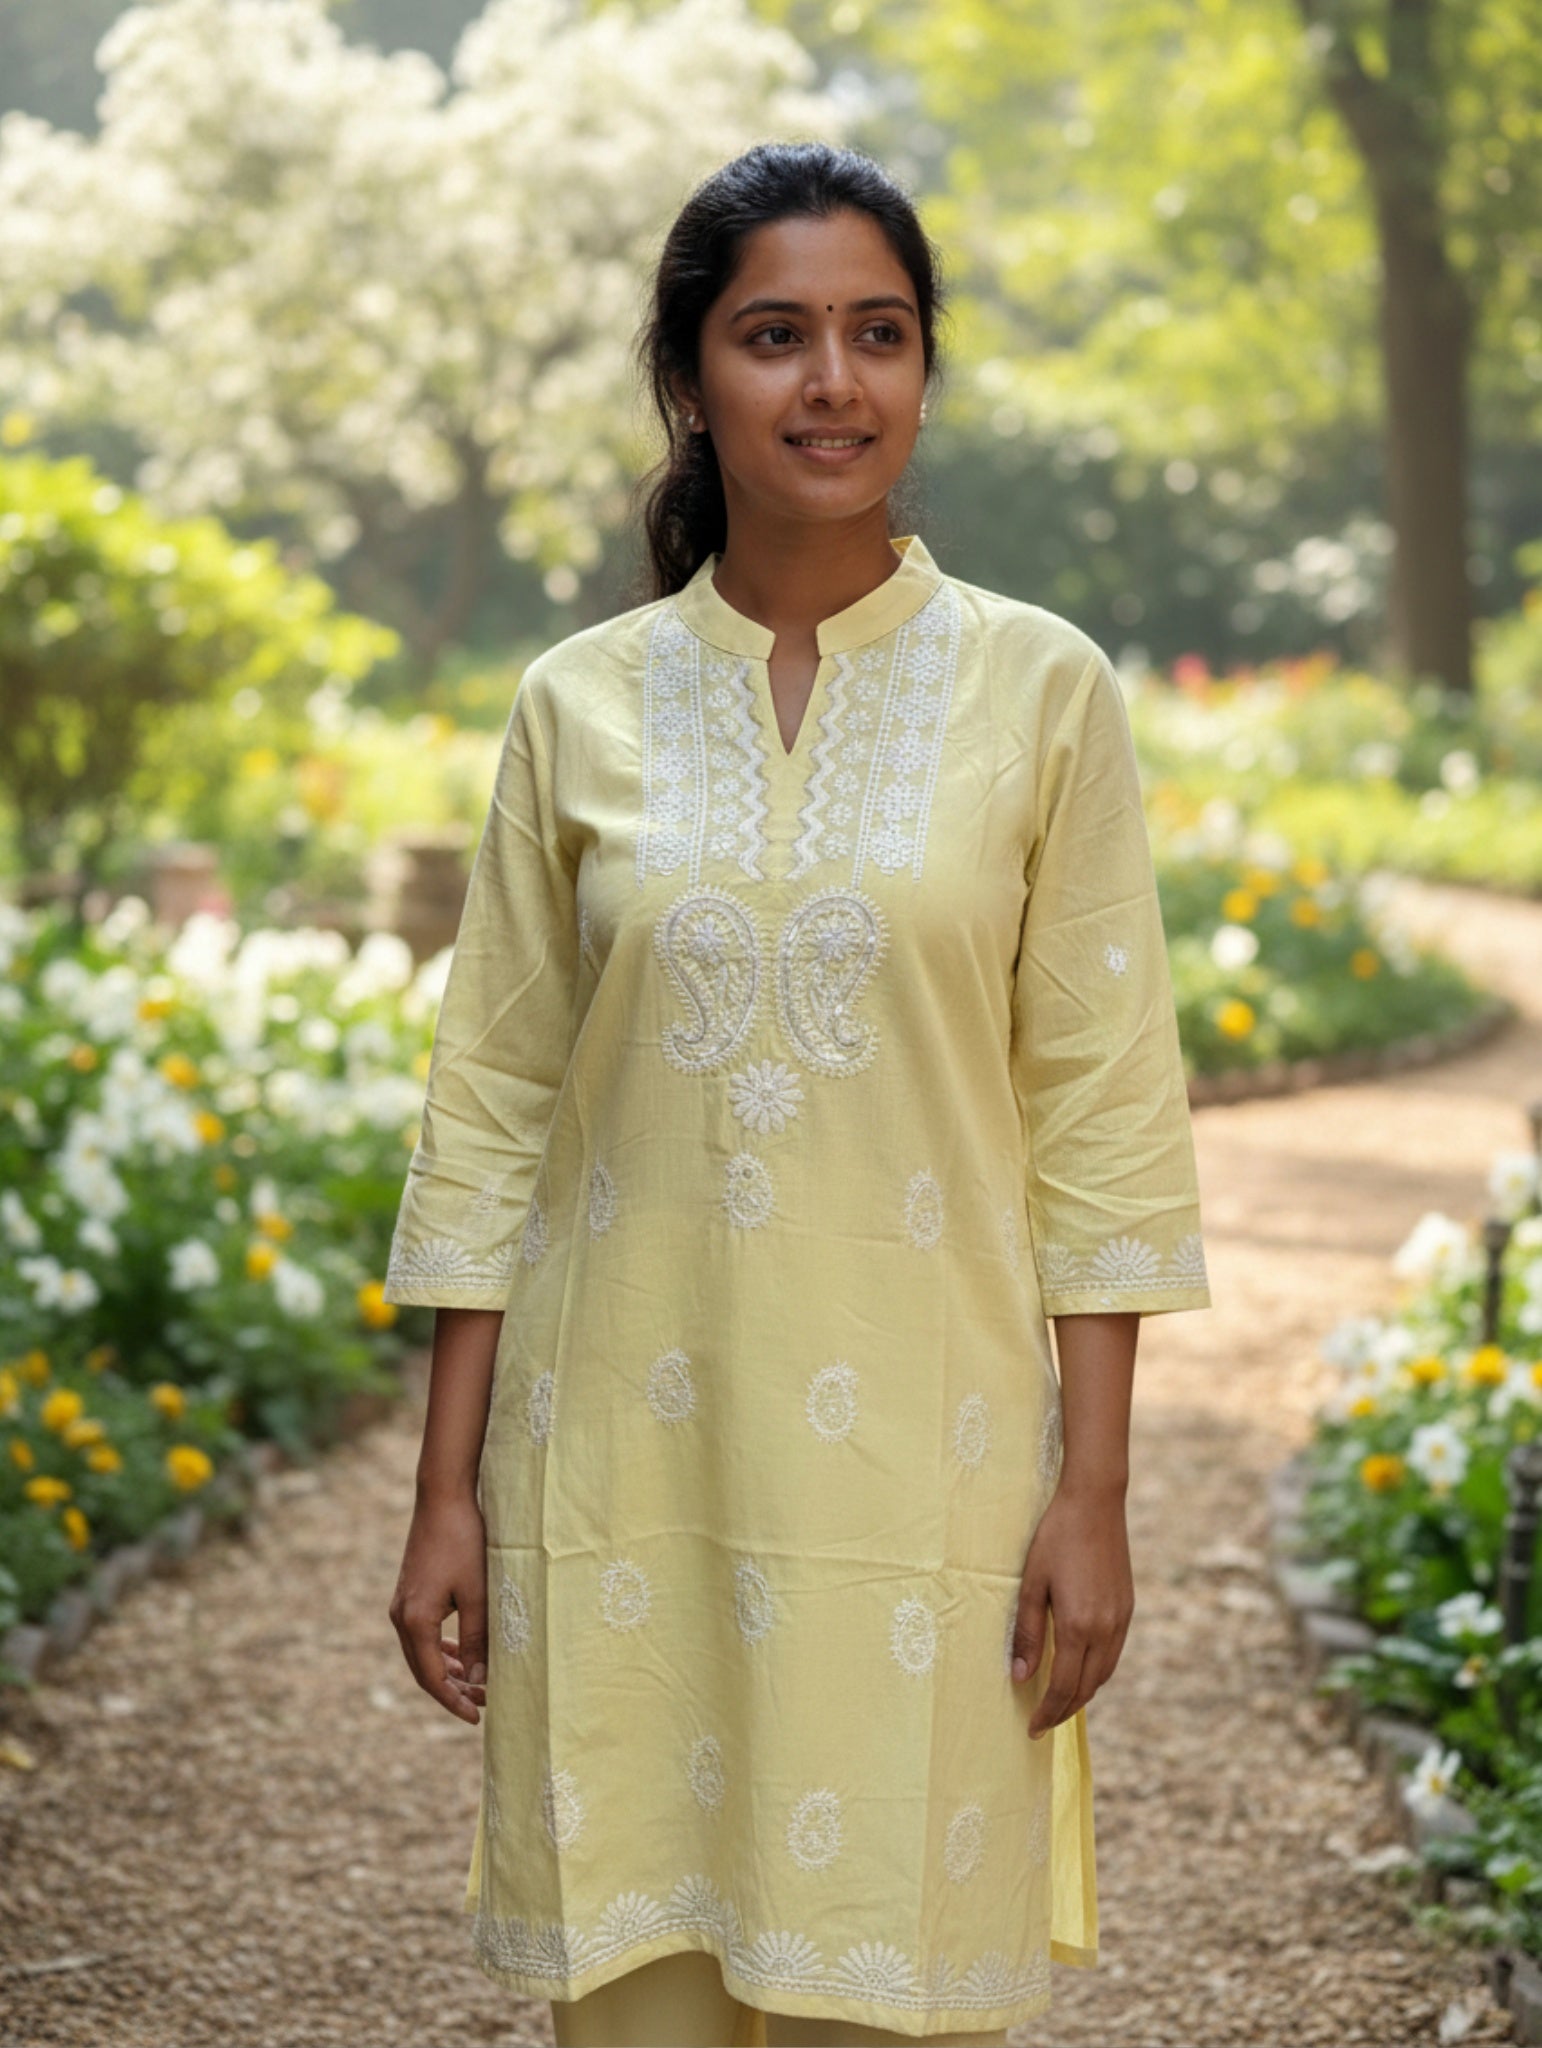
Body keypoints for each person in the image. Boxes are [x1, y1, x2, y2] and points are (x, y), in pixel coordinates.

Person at [384, 139, 1212, 2048]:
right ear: (690, 377)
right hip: (624, 1455)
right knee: (642, 1984)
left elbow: (1101, 1110)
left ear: (921, 369)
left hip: (926, 1458)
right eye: (775, 336)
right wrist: (443, 1493)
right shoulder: (577, 703)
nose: (832, 382)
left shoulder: (1040, 692)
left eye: (877, 333)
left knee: (885, 1971)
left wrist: (1093, 1494)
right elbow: (490, 1105)